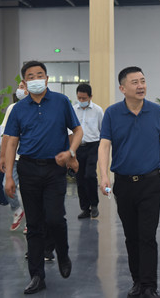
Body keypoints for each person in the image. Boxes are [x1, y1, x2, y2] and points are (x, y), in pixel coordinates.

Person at [3, 61, 82, 295]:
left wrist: (71, 152)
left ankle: (63, 253)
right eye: (31, 76)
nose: (36, 79)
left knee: (55, 218)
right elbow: (11, 143)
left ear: (47, 79)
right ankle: (37, 275)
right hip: (28, 168)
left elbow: (77, 130)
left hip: (54, 168)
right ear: (24, 82)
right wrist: (9, 176)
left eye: (40, 75)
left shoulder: (61, 102)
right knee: (34, 225)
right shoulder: (18, 109)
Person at [98, 66, 160, 298]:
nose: (141, 86)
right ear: (122, 88)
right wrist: (104, 175)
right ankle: (137, 282)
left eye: (142, 81)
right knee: (131, 236)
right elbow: (104, 145)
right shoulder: (112, 113)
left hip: (150, 183)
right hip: (123, 184)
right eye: (134, 82)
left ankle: (150, 285)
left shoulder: (156, 111)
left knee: (147, 236)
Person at [0, 81, 28, 231]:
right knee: (7, 186)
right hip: (13, 158)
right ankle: (17, 210)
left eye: (23, 87)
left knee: (29, 191)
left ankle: (31, 221)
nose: (19, 90)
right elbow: (6, 134)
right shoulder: (13, 108)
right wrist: (2, 156)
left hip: (29, 157)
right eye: (19, 87)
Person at [73, 83, 104, 219]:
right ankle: (85, 208)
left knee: (90, 175)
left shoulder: (98, 110)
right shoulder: (73, 110)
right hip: (78, 147)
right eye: (79, 98)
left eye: (84, 98)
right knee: (80, 178)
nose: (81, 100)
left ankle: (94, 204)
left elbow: (102, 129)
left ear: (90, 97)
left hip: (93, 146)